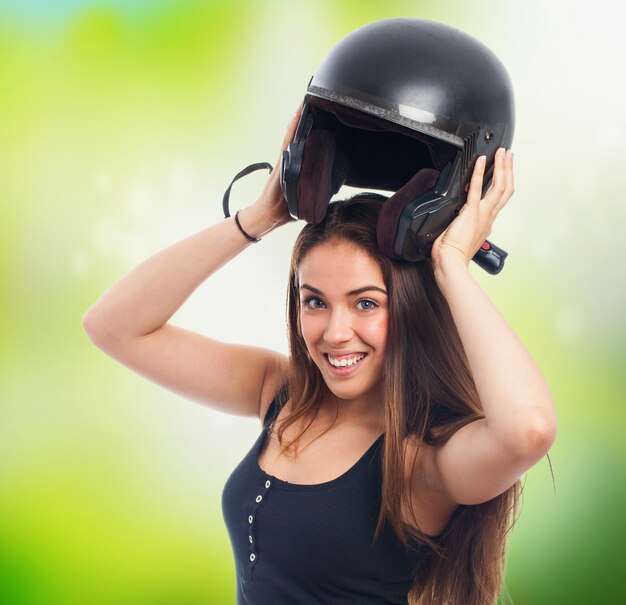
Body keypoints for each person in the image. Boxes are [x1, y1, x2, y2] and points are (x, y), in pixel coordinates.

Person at [83, 107, 556, 605]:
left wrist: (451, 263)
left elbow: (529, 431)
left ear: (412, 310)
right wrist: (257, 218)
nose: (335, 333)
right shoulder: (280, 392)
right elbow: (113, 326)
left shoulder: (420, 462)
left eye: (366, 303)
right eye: (315, 301)